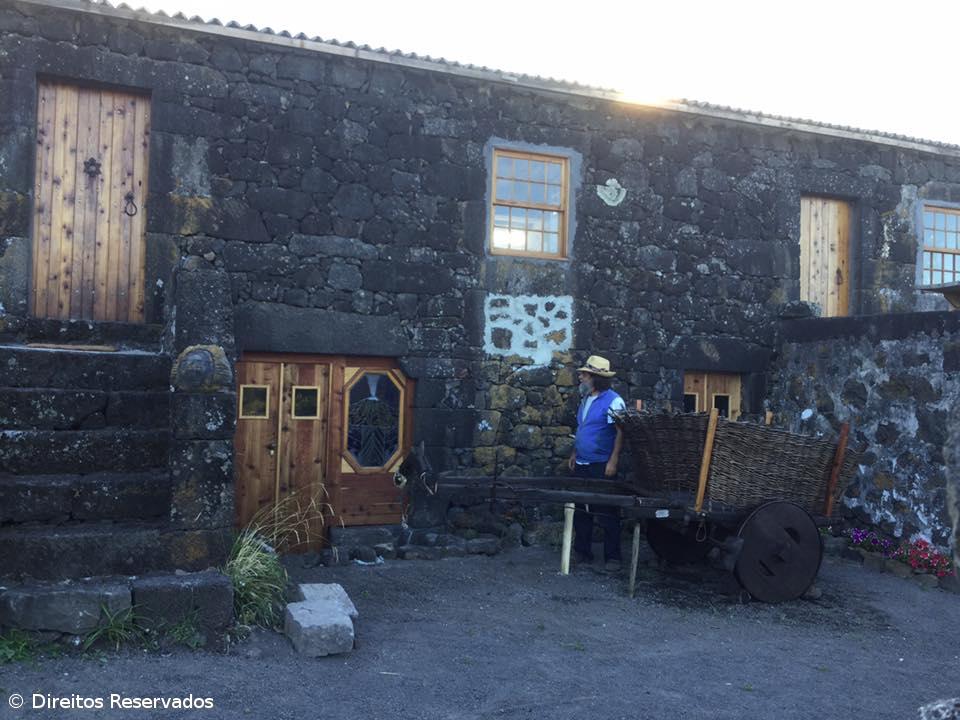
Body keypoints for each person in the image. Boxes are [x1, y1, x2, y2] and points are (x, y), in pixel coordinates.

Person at [567, 355, 627, 572]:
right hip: (582, 462)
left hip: (601, 464)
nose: (581, 377)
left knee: (607, 512)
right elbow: (582, 429)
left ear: (596, 378)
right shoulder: (585, 400)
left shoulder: (614, 401)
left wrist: (613, 460)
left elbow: (620, 432)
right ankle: (583, 553)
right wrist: (574, 452)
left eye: (585, 374)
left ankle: (613, 557)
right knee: (581, 510)